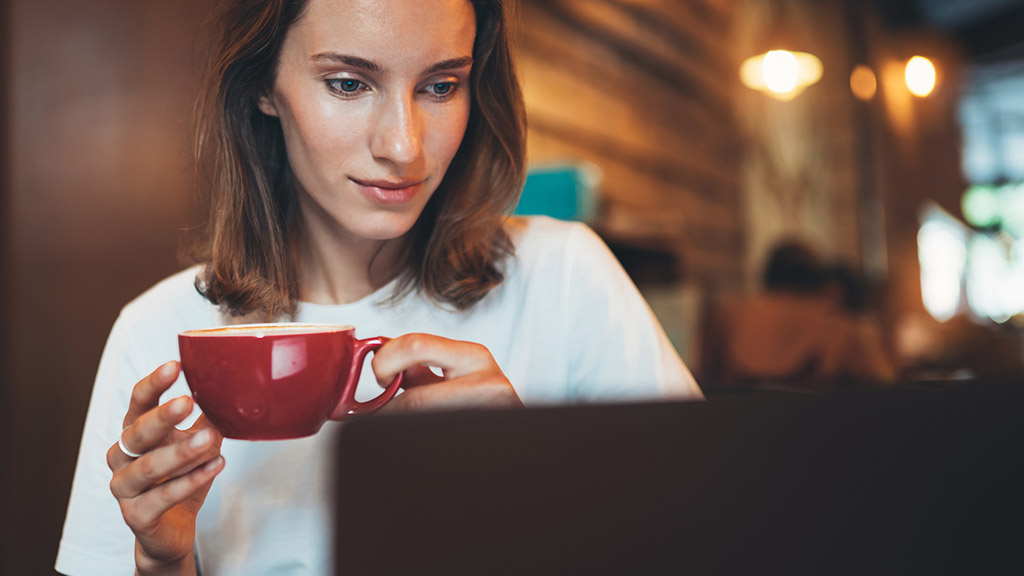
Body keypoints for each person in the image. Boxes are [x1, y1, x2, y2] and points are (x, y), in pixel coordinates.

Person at [55, 0, 702, 574]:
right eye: (348, 83)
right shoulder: (156, 333)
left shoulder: (566, 279)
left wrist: (533, 486)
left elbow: (722, 540)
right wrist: (164, 568)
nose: (404, 145)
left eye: (441, 86)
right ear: (263, 87)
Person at [700, 240, 894, 393]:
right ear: (817, 279)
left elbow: (704, 374)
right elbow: (880, 382)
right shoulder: (835, 324)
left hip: (735, 428)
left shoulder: (728, 314)